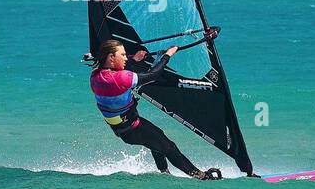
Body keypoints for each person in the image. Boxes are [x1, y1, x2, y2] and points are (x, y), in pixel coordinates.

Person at [89, 39, 222, 180]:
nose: (124, 58)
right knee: (169, 148)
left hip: (122, 129)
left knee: (157, 138)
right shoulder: (119, 78)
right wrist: (168, 55)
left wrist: (133, 59)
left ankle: (164, 173)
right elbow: (153, 75)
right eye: (122, 55)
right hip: (133, 127)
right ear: (111, 57)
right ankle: (201, 177)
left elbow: (117, 67)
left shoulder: (96, 75)